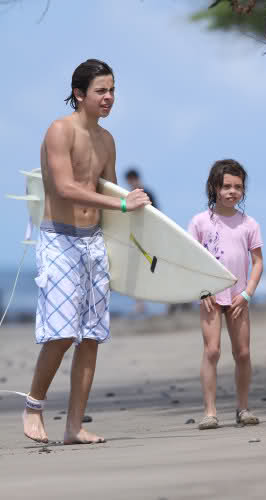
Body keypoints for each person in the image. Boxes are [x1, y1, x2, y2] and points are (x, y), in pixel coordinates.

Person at [23, 59, 150, 445]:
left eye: (112, 91)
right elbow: (64, 187)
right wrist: (124, 205)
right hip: (59, 240)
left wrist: (137, 243)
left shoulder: (107, 140)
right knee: (61, 335)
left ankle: (74, 425)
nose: (109, 97)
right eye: (101, 91)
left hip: (93, 241)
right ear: (80, 93)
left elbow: (109, 192)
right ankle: (33, 406)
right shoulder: (59, 131)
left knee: (91, 336)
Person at [188, 159, 263, 430]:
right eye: (226, 186)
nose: (232, 192)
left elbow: (258, 263)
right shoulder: (199, 221)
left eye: (238, 187)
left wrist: (248, 294)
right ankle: (210, 412)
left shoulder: (248, 224)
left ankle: (243, 409)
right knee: (212, 350)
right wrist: (202, 289)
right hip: (210, 295)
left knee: (242, 353)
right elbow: (191, 261)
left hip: (239, 296)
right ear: (214, 187)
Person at [125, 168, 159, 315]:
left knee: (152, 269)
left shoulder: (147, 194)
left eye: (133, 180)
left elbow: (157, 216)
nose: (131, 183)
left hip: (148, 238)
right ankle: (139, 305)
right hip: (134, 239)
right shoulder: (127, 196)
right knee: (135, 272)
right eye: (129, 181)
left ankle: (164, 303)